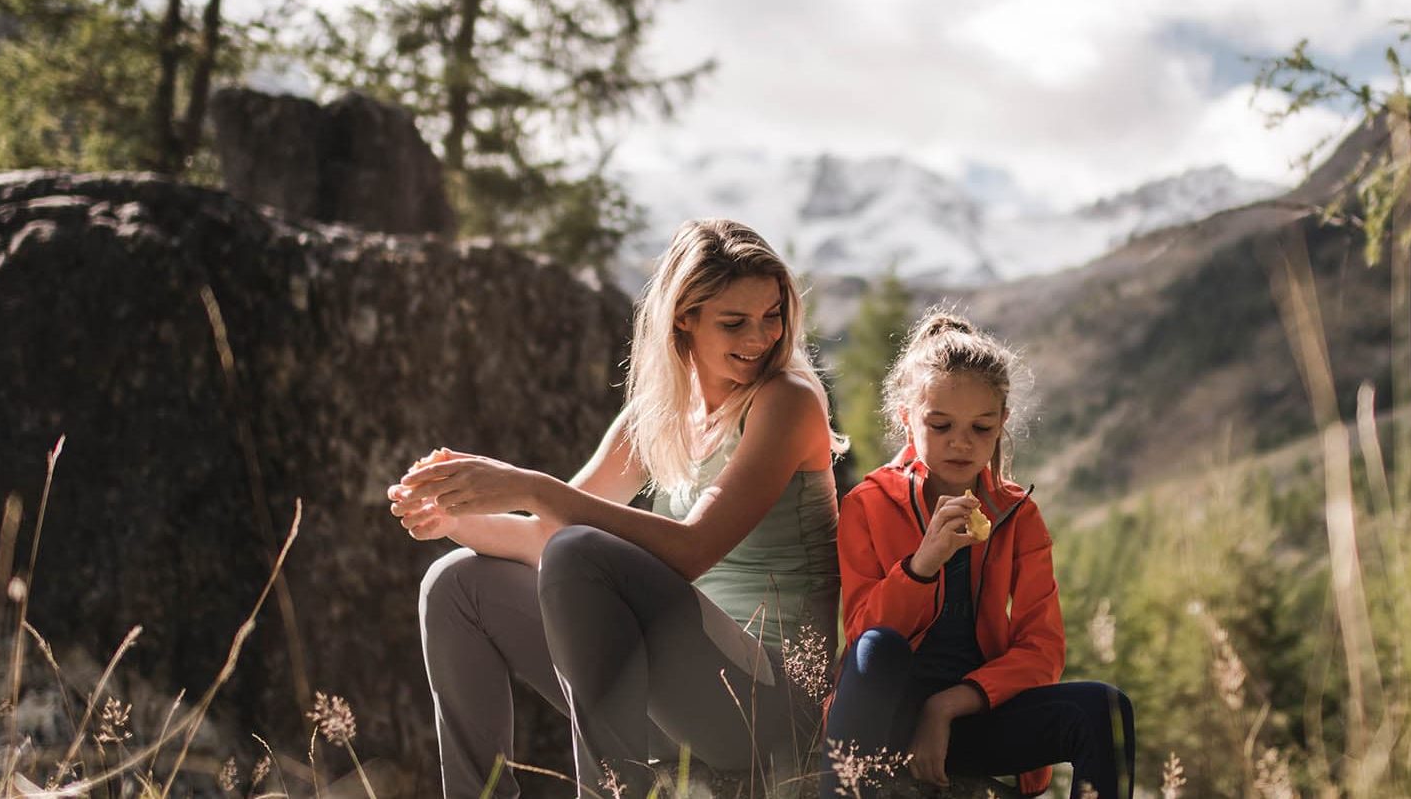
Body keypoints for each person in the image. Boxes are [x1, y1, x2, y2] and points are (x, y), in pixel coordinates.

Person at [388, 218, 844, 799]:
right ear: (685, 318)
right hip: (672, 702)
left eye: (772, 316)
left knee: (580, 547)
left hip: (767, 707)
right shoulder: (657, 415)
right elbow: (547, 543)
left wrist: (528, 486)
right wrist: (456, 518)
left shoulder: (787, 402)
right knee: (454, 584)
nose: (760, 338)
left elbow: (691, 548)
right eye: (734, 322)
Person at [825, 311, 1135, 799]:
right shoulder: (868, 503)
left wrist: (947, 706)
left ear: (1002, 423)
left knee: (1105, 707)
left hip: (975, 717)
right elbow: (864, 639)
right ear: (907, 417)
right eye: (941, 424)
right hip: (885, 719)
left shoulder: (1018, 514)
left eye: (982, 427)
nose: (962, 442)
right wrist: (923, 564)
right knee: (877, 647)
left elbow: (1043, 650)